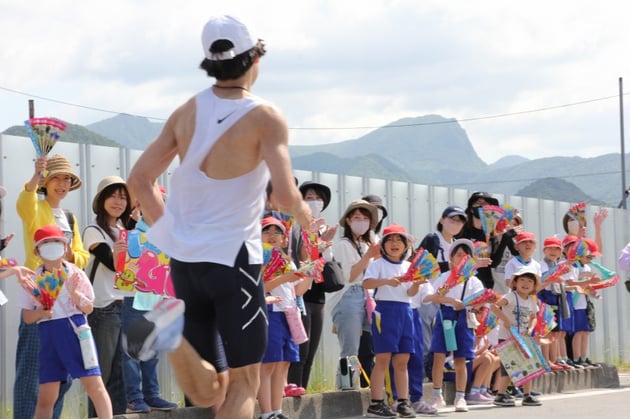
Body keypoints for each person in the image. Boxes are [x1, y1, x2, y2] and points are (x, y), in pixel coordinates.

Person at [124, 14, 312, 419]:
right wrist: (302, 212)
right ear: (254, 59)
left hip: (186, 264)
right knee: (244, 380)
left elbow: (139, 180)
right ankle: (170, 337)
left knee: (213, 392)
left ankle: (171, 338)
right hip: (234, 261)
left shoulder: (185, 113)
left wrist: (172, 237)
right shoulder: (265, 116)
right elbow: (283, 193)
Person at [15, 154, 90, 419]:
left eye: (66, 178)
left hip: (65, 305)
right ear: (46, 181)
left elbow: (81, 256)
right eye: (56, 177)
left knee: (61, 376)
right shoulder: (35, 207)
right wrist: (36, 174)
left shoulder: (69, 217)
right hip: (40, 300)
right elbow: (24, 201)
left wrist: (67, 256)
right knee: (32, 372)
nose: (61, 183)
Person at [16, 225, 113, 419]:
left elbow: (89, 308)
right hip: (48, 334)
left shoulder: (76, 273)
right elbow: (27, 317)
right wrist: (42, 313)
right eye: (45, 243)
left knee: (94, 386)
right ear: (37, 250)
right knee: (46, 395)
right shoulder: (33, 280)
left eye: (57, 242)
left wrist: (76, 295)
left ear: (66, 246)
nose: (52, 246)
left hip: (76, 331)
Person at [362, 224, 424, 418]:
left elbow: (411, 293)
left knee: (403, 359)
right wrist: (387, 281)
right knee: (382, 358)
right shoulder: (377, 264)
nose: (394, 244)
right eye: (390, 240)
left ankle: (403, 402)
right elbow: (366, 283)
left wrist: (417, 283)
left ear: (406, 245)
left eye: (399, 240)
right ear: (383, 245)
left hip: (406, 311)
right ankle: (376, 403)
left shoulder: (408, 267)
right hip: (385, 311)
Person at [83, 176, 131, 415]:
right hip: (103, 308)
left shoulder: (125, 231)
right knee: (100, 374)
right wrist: (124, 251)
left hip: (126, 306)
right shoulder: (94, 230)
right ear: (101, 200)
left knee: (121, 373)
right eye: (113, 195)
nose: (118, 202)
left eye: (123, 197)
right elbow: (112, 263)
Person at [258, 216, 314, 419]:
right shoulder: (259, 259)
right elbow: (260, 289)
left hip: (289, 314)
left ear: (284, 239)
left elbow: (298, 291)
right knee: (267, 366)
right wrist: (285, 278)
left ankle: (277, 410)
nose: (272, 236)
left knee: (283, 365)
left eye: (277, 232)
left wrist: (309, 273)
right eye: (267, 231)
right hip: (270, 313)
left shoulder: (288, 261)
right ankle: (266, 413)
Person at [426, 239, 485, 413]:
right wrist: (449, 300)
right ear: (451, 258)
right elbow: (430, 297)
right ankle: (437, 395)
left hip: (464, 318)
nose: (461, 259)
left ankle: (460, 396)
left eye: (466, 256)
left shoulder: (473, 280)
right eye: (458, 255)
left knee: (461, 359)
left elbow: (480, 302)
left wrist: (470, 304)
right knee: (438, 356)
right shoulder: (444, 277)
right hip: (445, 315)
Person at [287, 181, 335, 393]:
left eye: (317, 198)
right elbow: (303, 259)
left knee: (311, 352)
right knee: (300, 352)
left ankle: (302, 395)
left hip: (318, 296)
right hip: (300, 293)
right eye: (308, 197)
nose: (314, 202)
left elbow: (328, 263)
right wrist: (315, 240)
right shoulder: (295, 226)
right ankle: (293, 396)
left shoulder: (325, 227)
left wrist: (323, 243)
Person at [328, 199, 380, 390]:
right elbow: (350, 276)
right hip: (349, 295)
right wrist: (370, 256)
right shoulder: (343, 244)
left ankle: (359, 386)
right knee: (350, 348)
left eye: (365, 218)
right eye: (357, 217)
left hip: (367, 295)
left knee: (369, 344)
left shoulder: (366, 245)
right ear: (348, 221)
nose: (361, 221)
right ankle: (346, 389)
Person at [416, 205, 467, 379]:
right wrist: (450, 266)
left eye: (459, 221)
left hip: (448, 298)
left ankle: (433, 373)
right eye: (452, 219)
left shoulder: (456, 245)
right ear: (442, 220)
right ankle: (422, 373)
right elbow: (421, 264)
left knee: (440, 336)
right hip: (428, 294)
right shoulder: (433, 238)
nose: (455, 224)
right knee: (425, 335)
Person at [491, 265, 542, 407]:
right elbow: (494, 306)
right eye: (523, 280)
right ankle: (500, 395)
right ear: (515, 283)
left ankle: (527, 395)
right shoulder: (511, 296)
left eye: (530, 281)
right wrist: (505, 320)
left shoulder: (532, 301)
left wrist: (531, 328)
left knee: (528, 366)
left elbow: (534, 316)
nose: (526, 284)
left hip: (524, 338)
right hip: (508, 336)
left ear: (534, 286)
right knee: (508, 367)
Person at [357, 194, 389, 388]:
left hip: (377, 297)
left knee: (374, 345)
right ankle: (361, 383)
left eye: (378, 210)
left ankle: (371, 384)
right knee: (362, 344)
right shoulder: (355, 239)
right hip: (358, 295)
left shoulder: (379, 238)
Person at [457, 192, 512, 289]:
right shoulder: (461, 231)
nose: (483, 206)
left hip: (485, 285)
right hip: (463, 283)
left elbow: (494, 263)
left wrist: (505, 238)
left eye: (486, 204)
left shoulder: (491, 233)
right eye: (479, 203)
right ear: (471, 209)